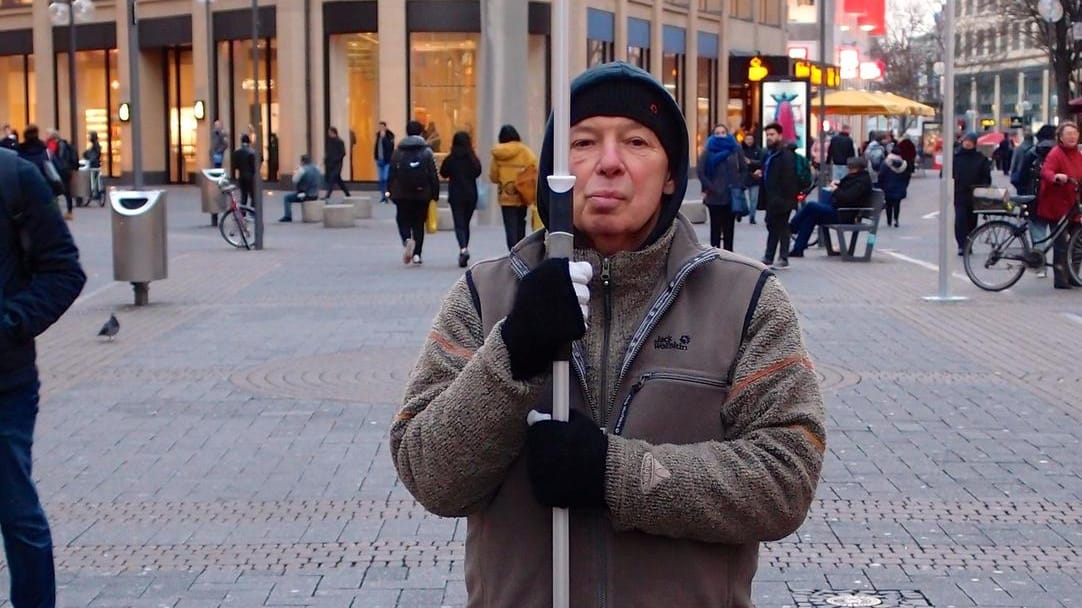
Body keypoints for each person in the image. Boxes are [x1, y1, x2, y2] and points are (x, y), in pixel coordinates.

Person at [390, 62, 825, 607]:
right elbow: (430, 474)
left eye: (637, 141)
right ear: (556, 172)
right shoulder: (485, 294)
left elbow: (785, 479)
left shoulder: (745, 299)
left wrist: (615, 474)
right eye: (584, 142)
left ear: (670, 174)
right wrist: (512, 356)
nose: (610, 163)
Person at [0, 146, 87, 608]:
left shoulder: (13, 177)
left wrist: (10, 322)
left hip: (4, 384)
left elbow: (64, 272)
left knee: (15, 512)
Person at [788, 156, 873, 257]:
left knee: (811, 206)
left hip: (844, 214)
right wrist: (837, 185)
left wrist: (835, 190)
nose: (848, 169)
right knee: (811, 216)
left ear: (857, 168)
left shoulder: (861, 182)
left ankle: (791, 227)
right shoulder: (855, 178)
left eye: (850, 167)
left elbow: (848, 197)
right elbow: (845, 191)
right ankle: (798, 249)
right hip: (839, 210)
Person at [1038, 122, 1082, 289]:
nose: (1072, 136)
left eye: (1074, 133)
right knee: (1061, 243)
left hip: (1073, 206)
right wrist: (1056, 177)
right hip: (1057, 206)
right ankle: (1060, 278)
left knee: (1078, 243)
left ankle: (1073, 275)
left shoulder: (1078, 155)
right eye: (1068, 134)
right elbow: (1046, 171)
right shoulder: (1056, 153)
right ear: (1060, 137)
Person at [388, 120, 439, 265]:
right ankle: (417, 254)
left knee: (402, 219)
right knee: (418, 224)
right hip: (422, 194)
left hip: (401, 193)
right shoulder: (427, 152)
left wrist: (389, 191)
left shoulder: (398, 152)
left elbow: (391, 173)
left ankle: (406, 239)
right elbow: (433, 174)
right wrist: (434, 194)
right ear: (421, 132)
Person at [696, 124, 746, 251]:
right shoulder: (708, 151)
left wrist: (739, 184)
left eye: (723, 132)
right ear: (713, 135)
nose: (720, 135)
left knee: (729, 228)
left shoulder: (735, 149)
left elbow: (744, 168)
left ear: (727, 134)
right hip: (714, 197)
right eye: (717, 133)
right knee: (715, 228)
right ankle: (714, 254)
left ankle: (729, 255)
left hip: (731, 195)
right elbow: (701, 172)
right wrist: (711, 187)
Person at [489, 124, 539, 251]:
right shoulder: (524, 151)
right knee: (521, 221)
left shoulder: (497, 153)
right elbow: (534, 167)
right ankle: (521, 249)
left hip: (506, 194)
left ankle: (512, 251)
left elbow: (493, 176)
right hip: (522, 192)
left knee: (509, 225)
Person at [756, 122, 799, 268]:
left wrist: (784, 199)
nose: (769, 137)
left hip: (782, 199)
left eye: (772, 134)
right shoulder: (770, 153)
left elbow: (788, 178)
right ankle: (769, 256)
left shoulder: (785, 154)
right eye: (767, 135)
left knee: (782, 227)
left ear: (780, 135)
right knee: (773, 226)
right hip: (772, 198)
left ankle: (783, 257)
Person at [440, 131, 483, 267]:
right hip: (471, 194)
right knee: (466, 224)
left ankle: (463, 248)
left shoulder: (451, 158)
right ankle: (464, 248)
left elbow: (443, 173)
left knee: (459, 224)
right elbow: (478, 172)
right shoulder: (472, 158)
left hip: (456, 194)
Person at [952, 132, 992, 256]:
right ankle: (961, 245)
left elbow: (986, 177)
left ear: (974, 143)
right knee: (960, 220)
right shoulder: (956, 157)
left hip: (975, 194)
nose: (967, 143)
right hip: (959, 193)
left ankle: (969, 244)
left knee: (971, 221)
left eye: (970, 141)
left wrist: (983, 187)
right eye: (966, 141)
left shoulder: (980, 158)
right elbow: (947, 174)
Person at [279, 154, 322, 222]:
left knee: (287, 198)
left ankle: (288, 216)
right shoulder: (317, 168)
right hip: (315, 194)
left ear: (302, 161)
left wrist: (296, 171)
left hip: (305, 195)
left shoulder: (302, 170)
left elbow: (294, 180)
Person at [46, 130, 77, 221]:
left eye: (48, 134)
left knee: (56, 191)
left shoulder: (56, 144)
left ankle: (57, 212)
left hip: (61, 170)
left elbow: (54, 157)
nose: (46, 135)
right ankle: (69, 212)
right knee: (67, 192)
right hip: (67, 170)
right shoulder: (63, 144)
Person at [878, 152, 909, 228]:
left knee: (888, 205)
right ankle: (896, 219)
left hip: (887, 187)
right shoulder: (904, 164)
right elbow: (907, 176)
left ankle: (889, 221)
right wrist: (904, 186)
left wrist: (881, 186)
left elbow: (881, 175)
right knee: (897, 204)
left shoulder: (885, 164)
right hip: (899, 188)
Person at [323, 127, 350, 200]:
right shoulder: (329, 141)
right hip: (330, 164)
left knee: (332, 179)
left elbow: (343, 153)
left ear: (333, 132)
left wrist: (336, 159)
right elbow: (328, 152)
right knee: (339, 180)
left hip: (337, 164)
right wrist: (325, 159)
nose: (328, 134)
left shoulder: (340, 141)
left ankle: (327, 195)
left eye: (330, 132)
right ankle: (347, 193)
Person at [231, 134, 257, 208]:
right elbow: (254, 165)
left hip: (241, 176)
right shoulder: (252, 152)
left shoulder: (237, 152)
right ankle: (252, 212)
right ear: (249, 141)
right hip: (250, 176)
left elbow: (235, 166)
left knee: (243, 195)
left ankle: (243, 213)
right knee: (253, 196)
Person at [742, 133, 764, 224]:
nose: (749, 141)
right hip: (742, 177)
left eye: (751, 139)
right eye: (747, 139)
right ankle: (740, 212)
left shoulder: (758, 150)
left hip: (754, 177)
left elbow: (761, 162)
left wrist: (750, 162)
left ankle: (752, 217)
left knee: (753, 199)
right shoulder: (740, 149)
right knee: (740, 198)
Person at [374, 121, 396, 203]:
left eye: (382, 127)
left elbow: (390, 147)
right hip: (379, 160)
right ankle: (383, 196)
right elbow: (376, 147)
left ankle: (387, 195)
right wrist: (375, 157)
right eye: (379, 127)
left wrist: (384, 138)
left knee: (386, 178)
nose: (381, 129)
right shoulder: (377, 135)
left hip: (387, 160)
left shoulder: (390, 136)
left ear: (385, 127)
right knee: (381, 179)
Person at [82, 131, 102, 203]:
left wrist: (90, 159)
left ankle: (95, 192)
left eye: (90, 136)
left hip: (94, 164)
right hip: (95, 163)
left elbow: (95, 154)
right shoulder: (95, 145)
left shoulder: (95, 145)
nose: (89, 138)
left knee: (93, 177)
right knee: (95, 178)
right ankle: (96, 192)